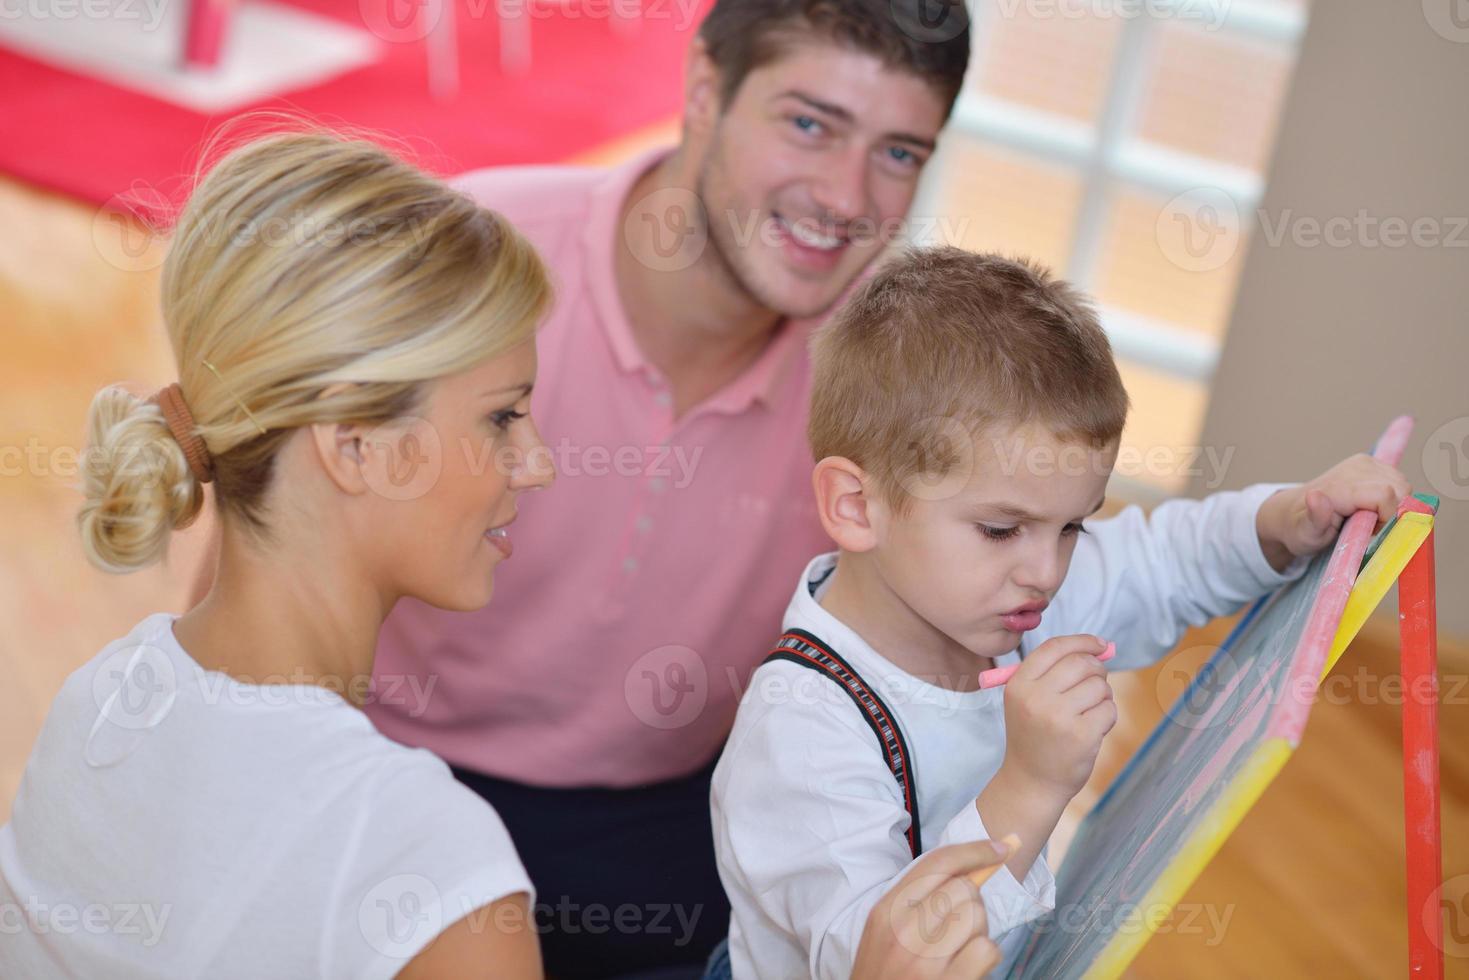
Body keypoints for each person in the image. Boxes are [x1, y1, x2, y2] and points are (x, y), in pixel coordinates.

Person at [2, 130, 1012, 979]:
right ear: (354, 446)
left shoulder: (103, 692)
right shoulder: (433, 868)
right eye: (501, 417)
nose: (535, 463)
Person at [190, 1, 971, 974]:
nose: (844, 196)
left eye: (898, 153)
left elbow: (988, 616)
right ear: (702, 91)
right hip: (376, 763)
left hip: (661, 822)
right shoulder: (475, 251)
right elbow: (255, 561)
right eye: (807, 124)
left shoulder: (895, 368)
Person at [708, 246, 1412, 978]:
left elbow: (1160, 561)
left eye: (1072, 526)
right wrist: (1030, 786)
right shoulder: (800, 733)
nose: (1046, 571)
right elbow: (886, 961)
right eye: (999, 529)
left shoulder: (1005, 595)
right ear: (858, 507)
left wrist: (1280, 518)